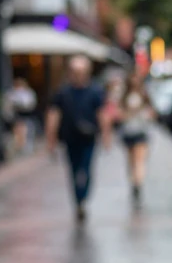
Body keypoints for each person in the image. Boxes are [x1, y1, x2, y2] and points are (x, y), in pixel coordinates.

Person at [46, 56, 110, 222]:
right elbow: (53, 116)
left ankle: (83, 198)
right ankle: (78, 200)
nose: (78, 75)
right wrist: (51, 140)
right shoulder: (62, 92)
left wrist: (106, 136)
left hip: (89, 137)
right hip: (70, 138)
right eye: (75, 71)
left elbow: (102, 115)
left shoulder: (95, 91)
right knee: (74, 170)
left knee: (86, 168)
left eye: (81, 71)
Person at [117, 71, 154, 205]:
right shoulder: (124, 96)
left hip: (140, 131)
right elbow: (119, 114)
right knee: (131, 161)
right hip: (128, 131)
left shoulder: (144, 95)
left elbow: (152, 113)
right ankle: (135, 182)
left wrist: (142, 113)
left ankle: (137, 183)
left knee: (139, 160)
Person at [3, 77, 38, 155]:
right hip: (16, 117)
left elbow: (30, 104)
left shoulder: (28, 93)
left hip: (26, 116)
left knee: (27, 132)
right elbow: (7, 107)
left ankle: (25, 148)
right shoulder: (11, 94)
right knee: (17, 132)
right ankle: (18, 147)